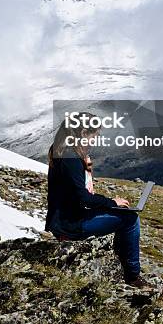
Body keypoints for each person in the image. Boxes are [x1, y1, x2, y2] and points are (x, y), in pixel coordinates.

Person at [45, 112, 147, 287]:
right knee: (130, 219)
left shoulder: (64, 152)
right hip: (70, 225)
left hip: (66, 219)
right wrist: (112, 202)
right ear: (84, 133)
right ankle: (133, 276)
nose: (95, 140)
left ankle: (125, 265)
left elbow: (79, 192)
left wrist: (88, 169)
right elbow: (84, 198)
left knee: (121, 214)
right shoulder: (71, 159)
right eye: (95, 135)